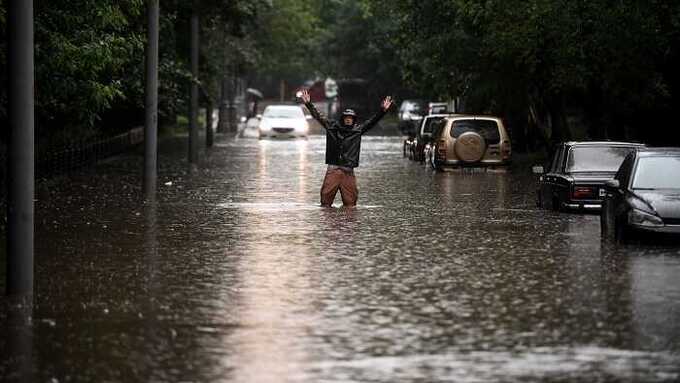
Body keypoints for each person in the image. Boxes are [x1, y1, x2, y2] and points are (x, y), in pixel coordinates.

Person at [300, 89, 393, 207]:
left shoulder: (357, 130)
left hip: (348, 171)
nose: (349, 119)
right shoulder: (332, 127)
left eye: (351, 118)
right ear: (342, 118)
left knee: (351, 205)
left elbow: (372, 122)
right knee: (325, 204)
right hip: (333, 169)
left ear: (354, 120)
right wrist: (308, 104)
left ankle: (348, 225)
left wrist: (383, 111)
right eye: (346, 117)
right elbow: (318, 116)